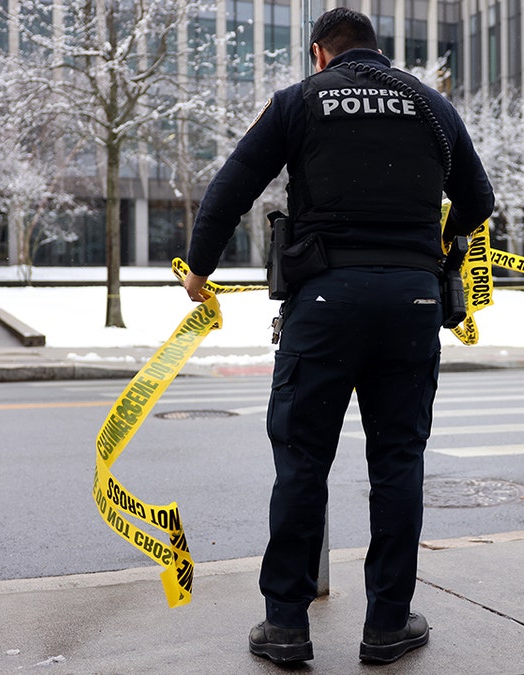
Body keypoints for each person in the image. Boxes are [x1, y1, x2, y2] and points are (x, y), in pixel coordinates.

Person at [182, 7, 494, 666]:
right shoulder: (432, 106)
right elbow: (478, 201)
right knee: (398, 463)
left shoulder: (300, 101)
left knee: (302, 461)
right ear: (377, 52)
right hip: (411, 301)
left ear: (321, 54)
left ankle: (287, 625)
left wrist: (200, 266)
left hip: (324, 302)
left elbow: (232, 187)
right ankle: (386, 624)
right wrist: (441, 234)